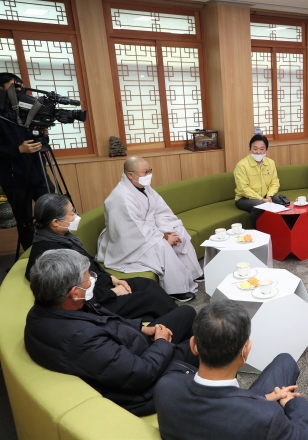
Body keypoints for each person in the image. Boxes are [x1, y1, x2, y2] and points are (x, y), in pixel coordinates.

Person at [155, 300, 308, 440]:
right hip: (262, 422)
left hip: (239, 410)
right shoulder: (267, 417)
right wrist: (293, 404)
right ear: (246, 350)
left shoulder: (166, 387)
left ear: (193, 345)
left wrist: (263, 398)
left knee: (285, 361)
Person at [24, 249, 198, 416]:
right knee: (201, 345)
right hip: (142, 385)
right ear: (74, 293)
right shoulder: (82, 339)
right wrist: (162, 343)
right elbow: (139, 374)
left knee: (187, 313)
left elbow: (107, 321)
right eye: (88, 278)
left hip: (130, 351)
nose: (92, 280)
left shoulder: (48, 309)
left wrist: (142, 328)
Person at [26, 194, 177, 322]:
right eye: (71, 214)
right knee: (152, 300)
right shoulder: (52, 255)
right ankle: (180, 326)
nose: (76, 217)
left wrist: (113, 280)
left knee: (147, 284)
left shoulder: (63, 238)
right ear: (56, 222)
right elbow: (78, 293)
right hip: (93, 304)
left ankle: (178, 319)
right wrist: (115, 292)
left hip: (102, 286)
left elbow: (90, 267)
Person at [97, 156, 202, 302]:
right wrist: (164, 237)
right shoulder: (121, 197)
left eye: (150, 171)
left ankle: (193, 273)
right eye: (145, 172)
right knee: (162, 246)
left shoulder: (145, 188)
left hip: (150, 231)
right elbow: (133, 229)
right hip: (129, 240)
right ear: (130, 175)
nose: (149, 175)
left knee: (179, 230)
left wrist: (167, 231)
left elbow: (160, 211)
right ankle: (176, 289)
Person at [0, 72, 54, 251]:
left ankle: (57, 250)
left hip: (38, 173)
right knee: (25, 223)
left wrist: (43, 135)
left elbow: (39, 142)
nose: (20, 90)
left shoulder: (27, 111)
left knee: (54, 210)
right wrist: (18, 150)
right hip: (14, 179)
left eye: (21, 87)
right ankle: (33, 258)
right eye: (14, 87)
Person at [234, 134, 280, 226]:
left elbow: (275, 182)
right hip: (244, 199)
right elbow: (244, 188)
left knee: (280, 201)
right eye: (255, 149)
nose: (258, 152)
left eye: (262, 149)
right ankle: (258, 231)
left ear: (266, 150)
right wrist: (261, 199)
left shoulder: (271, 163)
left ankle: (279, 229)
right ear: (250, 149)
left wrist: (269, 196)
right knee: (260, 206)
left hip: (265, 196)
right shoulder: (242, 165)